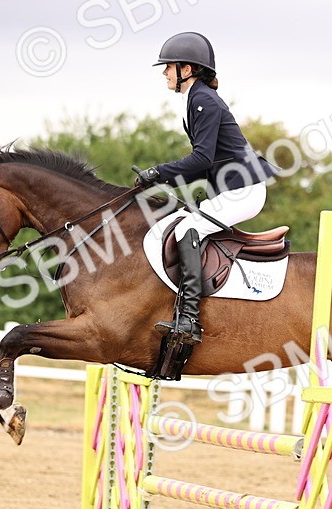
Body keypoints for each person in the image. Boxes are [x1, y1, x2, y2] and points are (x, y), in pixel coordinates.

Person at [135, 32, 278, 345]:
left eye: (168, 67)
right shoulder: (196, 99)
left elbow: (201, 159)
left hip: (245, 189)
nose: (164, 73)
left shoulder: (202, 100)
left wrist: (159, 172)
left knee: (188, 229)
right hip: (232, 188)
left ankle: (188, 319)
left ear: (187, 69)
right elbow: (205, 164)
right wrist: (157, 180)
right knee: (183, 223)